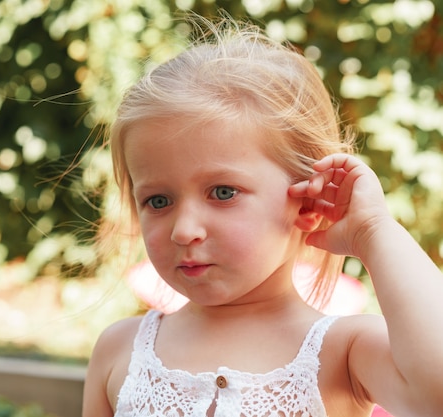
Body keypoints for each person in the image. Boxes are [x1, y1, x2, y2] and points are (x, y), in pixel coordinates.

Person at [81, 15, 443, 417]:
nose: (184, 231)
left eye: (223, 193)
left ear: (306, 202)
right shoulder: (119, 351)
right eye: (159, 201)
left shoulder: (343, 351)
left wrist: (376, 232)